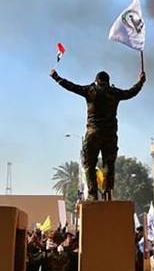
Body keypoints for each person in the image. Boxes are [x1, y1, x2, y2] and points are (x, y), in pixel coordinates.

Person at [50, 68, 145, 200]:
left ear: (96, 81)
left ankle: (93, 193)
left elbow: (71, 87)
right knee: (109, 164)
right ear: (108, 81)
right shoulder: (114, 92)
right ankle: (108, 192)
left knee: (89, 164)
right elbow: (131, 93)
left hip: (93, 134)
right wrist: (141, 82)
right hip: (110, 135)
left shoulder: (90, 91)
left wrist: (56, 77)